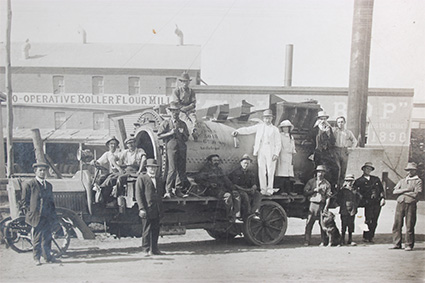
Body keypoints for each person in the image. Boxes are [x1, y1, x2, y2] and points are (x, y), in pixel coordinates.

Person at [232, 109, 281, 196]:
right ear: (263, 118)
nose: (267, 120)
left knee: (270, 170)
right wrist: (238, 131)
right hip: (261, 149)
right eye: (266, 118)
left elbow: (278, 143)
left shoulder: (275, 129)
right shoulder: (260, 126)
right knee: (261, 169)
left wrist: (276, 154)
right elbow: (248, 130)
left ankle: (270, 189)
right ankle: (263, 189)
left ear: (272, 118)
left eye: (269, 118)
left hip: (271, 149)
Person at [22, 162, 60, 265]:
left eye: (44, 170)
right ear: (35, 171)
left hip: (47, 216)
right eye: (40, 170)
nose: (42, 172)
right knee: (37, 238)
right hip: (36, 216)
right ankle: (36, 258)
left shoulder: (49, 185)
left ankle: (48, 257)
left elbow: (51, 202)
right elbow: (24, 201)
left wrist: (53, 216)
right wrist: (30, 213)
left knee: (47, 238)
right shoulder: (30, 184)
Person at [195, 154, 242, 223]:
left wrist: (233, 188)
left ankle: (237, 216)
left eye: (217, 160)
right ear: (210, 161)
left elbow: (226, 179)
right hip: (210, 190)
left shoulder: (219, 170)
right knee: (228, 195)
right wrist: (209, 184)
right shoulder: (205, 170)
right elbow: (197, 179)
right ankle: (230, 216)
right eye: (214, 160)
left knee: (236, 194)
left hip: (221, 189)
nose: (216, 162)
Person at [157, 101, 190, 198]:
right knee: (172, 169)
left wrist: (182, 133)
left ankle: (178, 190)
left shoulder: (183, 124)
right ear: (170, 112)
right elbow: (159, 135)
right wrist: (170, 133)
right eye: (173, 111)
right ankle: (168, 190)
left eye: (177, 111)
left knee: (181, 169)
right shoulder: (166, 123)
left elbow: (186, 137)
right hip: (171, 147)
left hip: (182, 147)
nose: (175, 113)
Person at [390, 162, 423, 251]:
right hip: (400, 203)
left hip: (410, 204)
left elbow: (416, 194)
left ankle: (408, 244)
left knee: (409, 224)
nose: (410, 172)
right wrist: (406, 190)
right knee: (397, 224)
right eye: (408, 170)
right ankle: (396, 243)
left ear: (415, 171)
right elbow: (394, 191)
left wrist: (402, 192)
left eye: (412, 170)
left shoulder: (418, 181)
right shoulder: (402, 180)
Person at [135, 159, 165, 256]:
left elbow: (160, 193)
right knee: (146, 229)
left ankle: (155, 249)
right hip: (147, 208)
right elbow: (139, 195)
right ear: (147, 168)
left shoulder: (158, 179)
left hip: (156, 208)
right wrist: (141, 208)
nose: (153, 169)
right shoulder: (142, 178)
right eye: (151, 167)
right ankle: (146, 249)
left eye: (154, 167)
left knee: (156, 229)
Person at [354, 162, 385, 243]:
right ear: (363, 169)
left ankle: (371, 236)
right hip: (367, 203)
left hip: (377, 202)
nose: (368, 170)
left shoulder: (376, 179)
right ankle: (365, 236)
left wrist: (383, 198)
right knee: (368, 220)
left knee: (375, 220)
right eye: (367, 168)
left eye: (370, 169)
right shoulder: (359, 181)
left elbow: (381, 190)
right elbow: (355, 191)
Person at [303, 165, 332, 246]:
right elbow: (305, 192)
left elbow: (328, 197)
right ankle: (307, 240)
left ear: (324, 173)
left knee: (323, 224)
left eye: (322, 172)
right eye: (319, 172)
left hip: (321, 205)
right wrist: (314, 190)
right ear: (316, 173)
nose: (320, 174)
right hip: (313, 205)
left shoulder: (326, 184)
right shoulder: (311, 182)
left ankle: (323, 241)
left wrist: (326, 207)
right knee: (309, 223)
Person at [228, 154, 262, 219]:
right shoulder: (236, 173)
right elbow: (235, 185)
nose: (246, 165)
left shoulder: (250, 173)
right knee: (244, 195)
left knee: (258, 194)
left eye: (248, 163)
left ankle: (254, 212)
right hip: (239, 189)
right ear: (241, 163)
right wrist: (247, 190)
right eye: (245, 163)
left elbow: (254, 183)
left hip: (248, 189)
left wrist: (253, 187)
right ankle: (247, 214)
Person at [91, 136, 123, 205]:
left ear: (117, 145)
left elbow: (119, 162)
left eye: (115, 144)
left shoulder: (120, 153)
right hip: (113, 173)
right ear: (108, 145)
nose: (113, 145)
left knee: (109, 180)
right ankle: (97, 198)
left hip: (120, 173)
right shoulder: (107, 154)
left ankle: (105, 199)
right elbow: (99, 162)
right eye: (111, 144)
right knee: (101, 178)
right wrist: (94, 162)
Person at [311, 111, 338, 190]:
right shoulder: (315, 129)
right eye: (321, 119)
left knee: (334, 168)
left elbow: (333, 141)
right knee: (317, 168)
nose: (323, 120)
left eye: (324, 119)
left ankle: (331, 187)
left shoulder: (329, 128)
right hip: (318, 152)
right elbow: (311, 138)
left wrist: (328, 133)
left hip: (327, 152)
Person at [332, 116, 358, 187]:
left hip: (344, 151)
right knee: (337, 168)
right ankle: (335, 185)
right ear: (337, 123)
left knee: (343, 169)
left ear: (344, 122)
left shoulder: (348, 132)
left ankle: (340, 186)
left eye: (342, 122)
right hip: (336, 150)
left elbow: (354, 141)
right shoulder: (334, 131)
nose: (340, 124)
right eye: (339, 122)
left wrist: (351, 149)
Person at [337, 174, 361, 246]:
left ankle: (350, 239)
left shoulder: (355, 190)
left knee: (351, 224)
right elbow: (338, 199)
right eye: (348, 181)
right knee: (343, 224)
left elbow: (358, 199)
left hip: (352, 208)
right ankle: (342, 239)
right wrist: (342, 205)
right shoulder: (342, 190)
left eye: (351, 181)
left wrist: (355, 207)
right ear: (345, 181)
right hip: (344, 208)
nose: (349, 182)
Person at [172, 72, 198, 139]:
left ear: (189, 82)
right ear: (181, 82)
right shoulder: (177, 91)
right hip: (180, 110)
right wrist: (182, 108)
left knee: (194, 119)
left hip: (189, 110)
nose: (185, 83)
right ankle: (190, 132)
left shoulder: (191, 91)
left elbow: (193, 102)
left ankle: (194, 131)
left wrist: (188, 108)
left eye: (186, 82)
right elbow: (176, 103)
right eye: (183, 82)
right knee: (186, 121)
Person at [275, 120, 296, 195]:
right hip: (282, 155)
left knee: (288, 174)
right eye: (284, 127)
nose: (285, 129)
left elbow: (293, 146)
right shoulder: (280, 135)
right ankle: (282, 190)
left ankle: (288, 191)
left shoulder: (291, 137)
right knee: (282, 174)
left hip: (289, 156)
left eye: (287, 127)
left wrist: (293, 152)